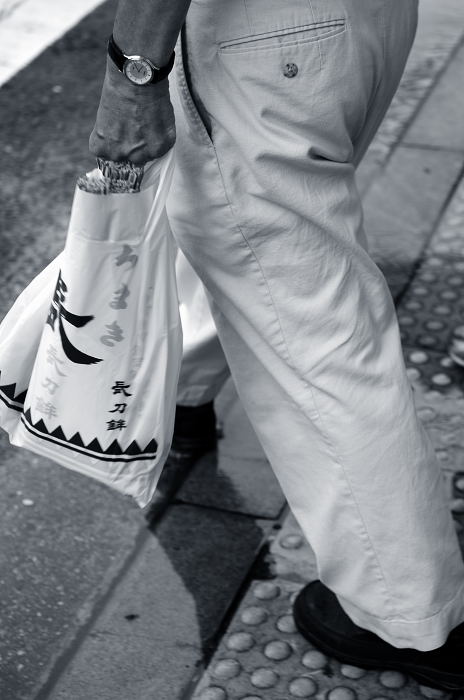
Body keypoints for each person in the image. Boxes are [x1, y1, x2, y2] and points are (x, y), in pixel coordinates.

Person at [90, 0, 464, 690]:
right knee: (234, 226)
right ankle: (186, 392)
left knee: (310, 319)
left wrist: (133, 73)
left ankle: (404, 611)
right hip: (367, 22)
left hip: (261, 34)